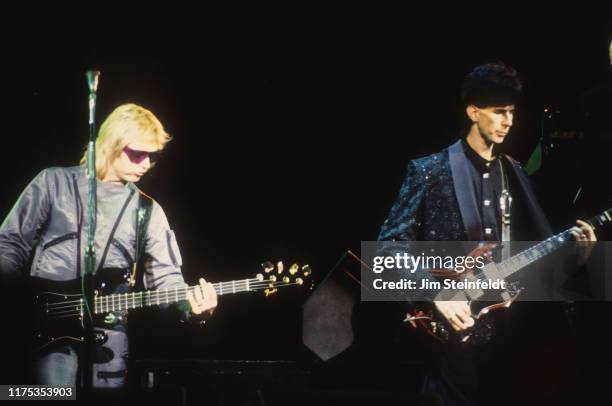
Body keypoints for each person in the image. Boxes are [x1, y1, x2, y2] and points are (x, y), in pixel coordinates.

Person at [378, 62, 596, 405]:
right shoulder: (430, 171)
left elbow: (531, 259)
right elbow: (388, 250)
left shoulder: (516, 173)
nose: (508, 121)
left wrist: (575, 260)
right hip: (453, 340)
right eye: (498, 112)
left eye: (511, 112)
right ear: (473, 111)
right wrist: (436, 294)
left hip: (513, 343)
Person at [0, 103, 218, 391]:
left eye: (152, 156)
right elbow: (9, 245)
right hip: (44, 331)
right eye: (137, 153)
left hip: (109, 337)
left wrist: (191, 305)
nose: (146, 164)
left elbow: (165, 280)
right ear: (111, 144)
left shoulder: (148, 210)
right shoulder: (53, 182)